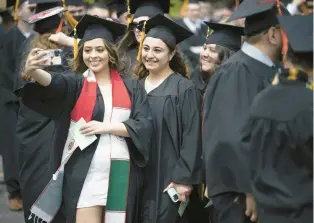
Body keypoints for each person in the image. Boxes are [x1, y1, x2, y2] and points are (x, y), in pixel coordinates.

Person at [17, 14, 152, 223]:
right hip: (85, 172)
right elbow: (54, 83)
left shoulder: (132, 87)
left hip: (121, 171)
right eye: (87, 50)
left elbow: (144, 125)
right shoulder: (77, 84)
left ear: (111, 52)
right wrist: (33, 71)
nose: (93, 56)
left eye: (99, 50)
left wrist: (105, 127)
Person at [202, 0, 289, 222]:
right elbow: (230, 136)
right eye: (287, 32)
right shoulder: (238, 70)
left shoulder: (261, 69)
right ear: (273, 34)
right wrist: (249, 188)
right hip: (240, 197)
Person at [134, 14, 203, 222]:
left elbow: (192, 137)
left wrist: (183, 179)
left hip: (169, 177)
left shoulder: (184, 88)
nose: (150, 55)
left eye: (158, 50)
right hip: (137, 176)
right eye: (146, 49)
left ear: (172, 54)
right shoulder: (135, 86)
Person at [245, 14, 313, 223]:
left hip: (267, 213)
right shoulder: (309, 105)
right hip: (302, 213)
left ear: (286, 57)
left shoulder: (261, 100)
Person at [16, 2, 74, 222]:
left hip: (30, 129)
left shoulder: (28, 49)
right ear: (61, 25)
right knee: (51, 183)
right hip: (51, 130)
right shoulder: (59, 55)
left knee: (35, 183)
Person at [0, 0, 36, 211]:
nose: (33, 12)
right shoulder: (6, 38)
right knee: (12, 147)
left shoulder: (39, 38)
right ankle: (15, 191)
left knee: (32, 147)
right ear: (17, 10)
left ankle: (32, 189)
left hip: (33, 100)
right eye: (30, 8)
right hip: (9, 99)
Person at [117, 0, 170, 77]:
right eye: (134, 25)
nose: (137, 29)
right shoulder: (124, 58)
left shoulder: (173, 57)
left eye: (142, 24)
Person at [190, 22, 244, 93]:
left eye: (212, 50)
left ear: (227, 57)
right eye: (204, 48)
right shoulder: (195, 79)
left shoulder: (236, 88)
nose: (204, 54)